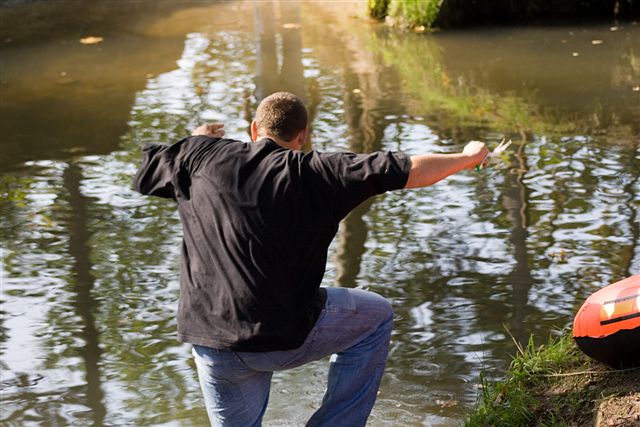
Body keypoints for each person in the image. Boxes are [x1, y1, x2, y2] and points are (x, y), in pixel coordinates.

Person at [133, 91, 488, 426]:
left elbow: (149, 170)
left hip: (211, 340)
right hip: (283, 332)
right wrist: (468, 157)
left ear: (254, 130)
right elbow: (409, 169)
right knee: (376, 316)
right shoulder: (318, 173)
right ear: (302, 136)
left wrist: (198, 140)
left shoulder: (200, 157)